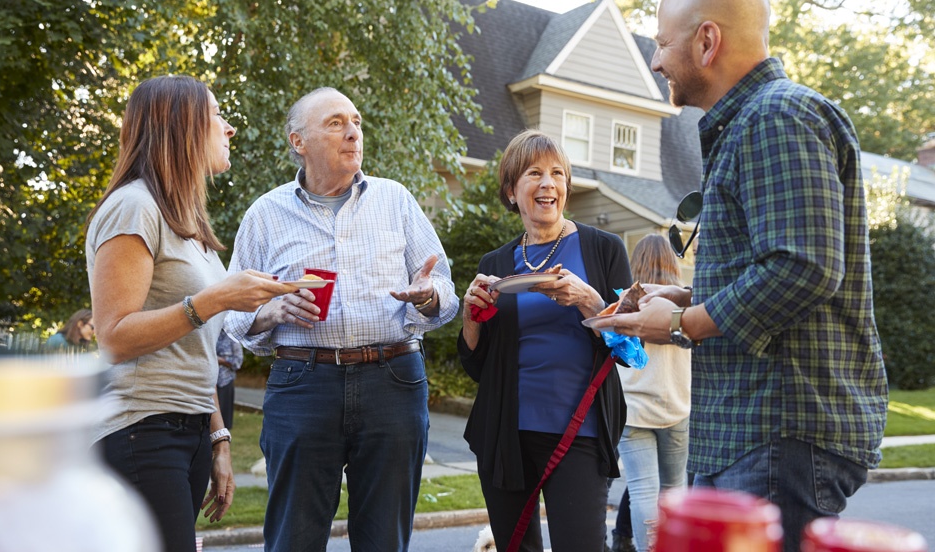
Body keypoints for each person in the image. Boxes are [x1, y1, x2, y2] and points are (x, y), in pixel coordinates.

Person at [590, 0, 888, 552]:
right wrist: (677, 297)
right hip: (754, 434)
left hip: (778, 429)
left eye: (662, 42)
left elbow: (804, 267)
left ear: (707, 40)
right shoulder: (752, 125)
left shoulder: (775, 117)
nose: (655, 61)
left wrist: (679, 324)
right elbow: (769, 270)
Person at [223, 86, 459, 552]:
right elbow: (231, 314)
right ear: (298, 141)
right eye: (335, 123)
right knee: (293, 538)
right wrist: (271, 310)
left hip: (393, 380)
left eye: (356, 122)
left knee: (384, 541)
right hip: (302, 383)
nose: (353, 132)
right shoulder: (265, 215)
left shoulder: (396, 200)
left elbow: (447, 292)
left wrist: (428, 295)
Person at [85, 75, 297, 552]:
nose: (229, 128)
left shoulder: (188, 225)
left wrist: (218, 437)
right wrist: (217, 298)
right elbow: (114, 337)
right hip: (141, 429)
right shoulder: (133, 207)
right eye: (217, 115)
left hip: (188, 429)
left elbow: (194, 350)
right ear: (181, 127)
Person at [458, 129, 631, 552]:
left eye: (557, 173)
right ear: (512, 192)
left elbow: (632, 346)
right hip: (505, 435)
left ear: (567, 188)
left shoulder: (603, 250)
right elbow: (476, 365)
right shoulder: (497, 264)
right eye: (534, 173)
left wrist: (589, 301)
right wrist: (471, 316)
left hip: (581, 433)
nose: (548, 183)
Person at [616, 234, 690, 551]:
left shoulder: (623, 301)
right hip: (675, 407)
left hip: (632, 409)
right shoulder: (686, 304)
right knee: (673, 490)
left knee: (643, 489)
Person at [215, 329, 243, 429]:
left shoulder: (232, 337)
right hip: (208, 382)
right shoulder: (211, 334)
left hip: (225, 381)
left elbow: (238, 362)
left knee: (224, 420)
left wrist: (221, 361)